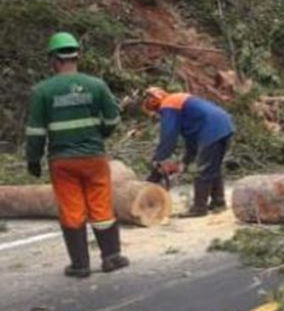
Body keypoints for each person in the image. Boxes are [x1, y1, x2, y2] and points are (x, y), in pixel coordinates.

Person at [24, 33, 129, 277]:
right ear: (76, 55)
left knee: (72, 208)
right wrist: (99, 134)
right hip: (93, 157)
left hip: (62, 160)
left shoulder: (42, 90)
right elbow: (113, 118)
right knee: (101, 205)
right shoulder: (96, 85)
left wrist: (33, 159)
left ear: (53, 59)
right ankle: (111, 257)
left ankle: (80, 265)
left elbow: (36, 131)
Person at [143, 87, 235, 217]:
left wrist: (158, 160)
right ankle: (218, 202)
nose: (160, 115)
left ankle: (199, 208)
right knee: (213, 166)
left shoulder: (168, 105)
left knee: (203, 168)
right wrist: (185, 162)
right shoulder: (180, 104)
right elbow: (191, 141)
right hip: (224, 124)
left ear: (155, 102)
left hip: (213, 128)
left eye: (158, 112)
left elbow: (169, 136)